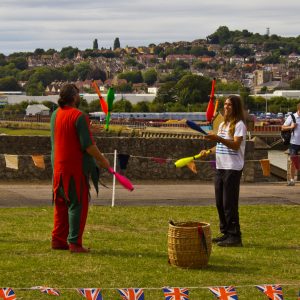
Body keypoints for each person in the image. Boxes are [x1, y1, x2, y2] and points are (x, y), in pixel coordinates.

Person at [50, 83, 110, 253]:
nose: (80, 96)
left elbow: (66, 134)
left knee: (61, 205)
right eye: (78, 93)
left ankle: (58, 240)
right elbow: (88, 146)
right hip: (74, 168)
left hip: (58, 168)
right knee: (77, 205)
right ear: (74, 97)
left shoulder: (54, 114)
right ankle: (75, 243)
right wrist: (103, 160)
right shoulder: (80, 116)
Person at [200, 95, 246, 247]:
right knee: (220, 203)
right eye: (225, 104)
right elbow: (220, 146)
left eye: (230, 105)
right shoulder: (222, 125)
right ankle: (226, 232)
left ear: (236, 108)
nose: (226, 107)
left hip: (232, 168)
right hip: (220, 167)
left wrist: (218, 139)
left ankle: (235, 236)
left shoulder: (239, 125)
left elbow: (235, 145)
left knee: (229, 203)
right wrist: (208, 151)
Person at [281, 104, 300, 186]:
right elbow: (283, 127)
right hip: (294, 143)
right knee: (293, 161)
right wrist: (291, 126)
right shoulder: (292, 117)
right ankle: (292, 180)